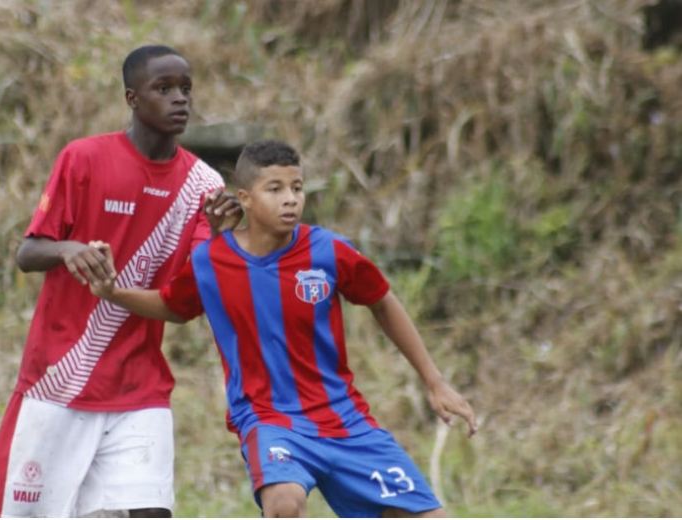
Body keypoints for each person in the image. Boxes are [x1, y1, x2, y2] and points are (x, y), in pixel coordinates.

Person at [87, 139, 478, 518]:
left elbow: (382, 299)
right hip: (269, 419)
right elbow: (173, 305)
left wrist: (434, 380)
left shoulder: (328, 251)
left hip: (344, 419)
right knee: (284, 504)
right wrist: (113, 292)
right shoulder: (211, 260)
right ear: (244, 199)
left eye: (297, 187)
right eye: (274, 189)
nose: (290, 198)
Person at [0, 45, 243, 518]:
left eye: (185, 89)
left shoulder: (203, 186)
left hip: (138, 390)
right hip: (58, 384)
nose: (179, 99)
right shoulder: (83, 158)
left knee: (153, 513)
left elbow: (186, 301)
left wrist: (222, 243)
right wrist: (68, 249)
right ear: (132, 98)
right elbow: (27, 253)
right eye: (163, 89)